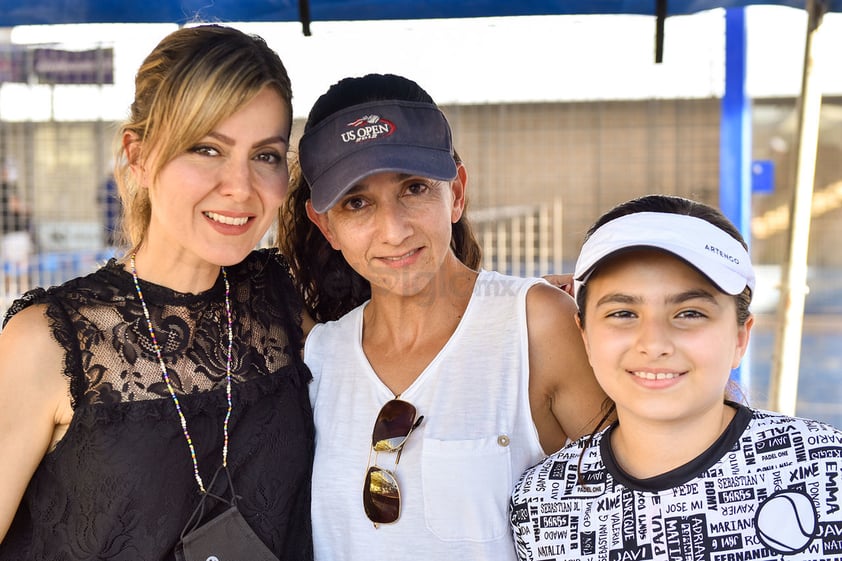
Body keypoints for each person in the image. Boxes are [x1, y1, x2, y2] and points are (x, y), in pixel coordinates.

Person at [0, 25, 314, 560]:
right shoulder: (50, 343)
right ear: (139, 156)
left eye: (266, 155)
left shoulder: (288, 301)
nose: (240, 186)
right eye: (207, 148)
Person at [279, 73, 609, 561]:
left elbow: (637, 503)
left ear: (456, 193)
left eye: (414, 188)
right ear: (326, 225)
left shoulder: (534, 326)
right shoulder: (321, 355)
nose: (393, 230)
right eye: (357, 202)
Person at [509, 194, 842, 561]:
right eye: (622, 313)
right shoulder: (541, 506)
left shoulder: (827, 468)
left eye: (690, 313)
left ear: (740, 337)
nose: (654, 343)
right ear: (585, 335)